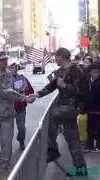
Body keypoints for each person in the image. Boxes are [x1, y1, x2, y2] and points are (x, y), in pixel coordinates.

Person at [30, 48, 87, 176]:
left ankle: (52, 150)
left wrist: (66, 86)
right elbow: (51, 87)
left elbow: (82, 91)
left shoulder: (76, 71)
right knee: (73, 141)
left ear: (63, 56)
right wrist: (36, 94)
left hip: (71, 108)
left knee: (52, 115)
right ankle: (80, 169)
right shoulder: (60, 71)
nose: (55, 59)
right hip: (64, 108)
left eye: (56, 56)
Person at [0, 52, 35, 171]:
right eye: (1, 60)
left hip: (8, 114)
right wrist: (24, 98)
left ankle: (4, 166)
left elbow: (15, 88)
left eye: (5, 59)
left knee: (6, 142)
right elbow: (4, 92)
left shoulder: (9, 74)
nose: (5, 62)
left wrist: (23, 90)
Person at [8, 62, 34, 150]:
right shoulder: (4, 79)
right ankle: (6, 149)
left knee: (22, 128)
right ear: (8, 68)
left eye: (15, 67)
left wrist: (26, 93)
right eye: (12, 67)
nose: (14, 69)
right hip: (8, 109)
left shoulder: (22, 78)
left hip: (20, 108)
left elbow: (30, 91)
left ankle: (21, 140)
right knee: (7, 131)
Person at [84, 63, 100, 152]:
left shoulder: (97, 83)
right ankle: (90, 145)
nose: (95, 74)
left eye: (97, 72)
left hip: (98, 109)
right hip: (90, 110)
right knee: (89, 128)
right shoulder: (88, 81)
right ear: (90, 72)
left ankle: (98, 145)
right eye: (93, 72)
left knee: (98, 129)